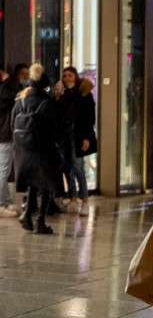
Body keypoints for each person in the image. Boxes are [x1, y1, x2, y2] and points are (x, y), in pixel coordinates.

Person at [11, 64, 63, 234]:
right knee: (46, 184)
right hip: (43, 150)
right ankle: (40, 221)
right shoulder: (47, 104)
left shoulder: (20, 102)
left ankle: (27, 215)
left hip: (24, 151)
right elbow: (54, 128)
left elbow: (13, 125)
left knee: (32, 183)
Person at [59, 66, 97, 216]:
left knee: (78, 166)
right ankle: (73, 198)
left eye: (69, 75)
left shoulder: (84, 94)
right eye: (65, 76)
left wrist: (87, 137)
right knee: (67, 166)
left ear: (75, 76)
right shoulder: (62, 94)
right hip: (65, 135)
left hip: (78, 134)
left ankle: (85, 200)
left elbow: (89, 117)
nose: (67, 78)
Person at [0, 63, 29, 217]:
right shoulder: (5, 92)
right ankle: (1, 204)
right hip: (4, 136)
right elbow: (17, 94)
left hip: (4, 136)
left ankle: (5, 201)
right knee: (2, 171)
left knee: (2, 170)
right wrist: (7, 79)